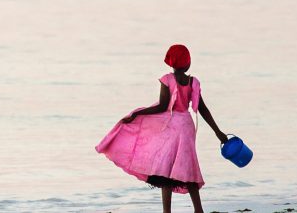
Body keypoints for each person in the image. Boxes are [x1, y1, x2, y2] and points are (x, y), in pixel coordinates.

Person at [95, 44, 229, 213]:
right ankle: (198, 210)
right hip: (187, 127)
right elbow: (202, 109)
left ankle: (167, 211)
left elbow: (162, 107)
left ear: (170, 64)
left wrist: (138, 114)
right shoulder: (193, 82)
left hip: (172, 127)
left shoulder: (167, 80)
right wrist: (218, 132)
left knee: (166, 170)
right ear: (188, 64)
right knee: (189, 167)